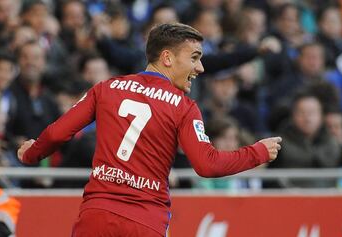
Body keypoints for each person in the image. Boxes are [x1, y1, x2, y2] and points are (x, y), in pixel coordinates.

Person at [17, 23, 282, 237]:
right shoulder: (183, 106)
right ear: (167, 57)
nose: (200, 68)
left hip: (96, 216)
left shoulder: (107, 88)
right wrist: (257, 152)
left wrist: (31, 154)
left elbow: (55, 134)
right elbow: (207, 165)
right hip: (145, 222)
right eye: (194, 58)